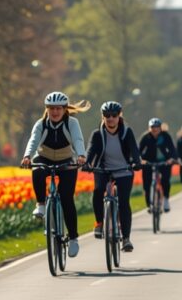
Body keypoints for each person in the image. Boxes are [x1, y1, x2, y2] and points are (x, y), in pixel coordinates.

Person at [21, 91, 90, 258]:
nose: (55, 112)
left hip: (66, 159)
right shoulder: (41, 124)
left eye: (58, 108)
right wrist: (27, 156)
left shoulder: (71, 123)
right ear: (47, 109)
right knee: (37, 170)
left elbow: (78, 140)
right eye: (51, 108)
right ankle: (41, 205)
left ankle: (73, 238)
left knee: (66, 198)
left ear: (65, 109)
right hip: (44, 157)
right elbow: (33, 140)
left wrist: (81, 155)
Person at [85, 101, 140, 252]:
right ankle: (99, 223)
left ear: (119, 116)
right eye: (107, 116)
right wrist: (87, 163)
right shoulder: (97, 134)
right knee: (98, 191)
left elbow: (134, 150)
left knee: (123, 202)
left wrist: (137, 162)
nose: (110, 119)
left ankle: (126, 239)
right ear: (102, 117)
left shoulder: (126, 132)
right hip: (103, 169)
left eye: (114, 115)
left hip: (124, 170)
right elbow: (91, 150)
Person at [138, 117, 177, 212]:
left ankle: (166, 200)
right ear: (149, 128)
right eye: (152, 127)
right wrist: (140, 160)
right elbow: (138, 150)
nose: (154, 129)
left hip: (164, 162)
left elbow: (172, 149)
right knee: (147, 184)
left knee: (165, 180)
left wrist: (171, 159)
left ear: (160, 128)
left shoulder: (166, 136)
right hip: (149, 162)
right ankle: (149, 205)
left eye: (157, 127)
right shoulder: (145, 137)